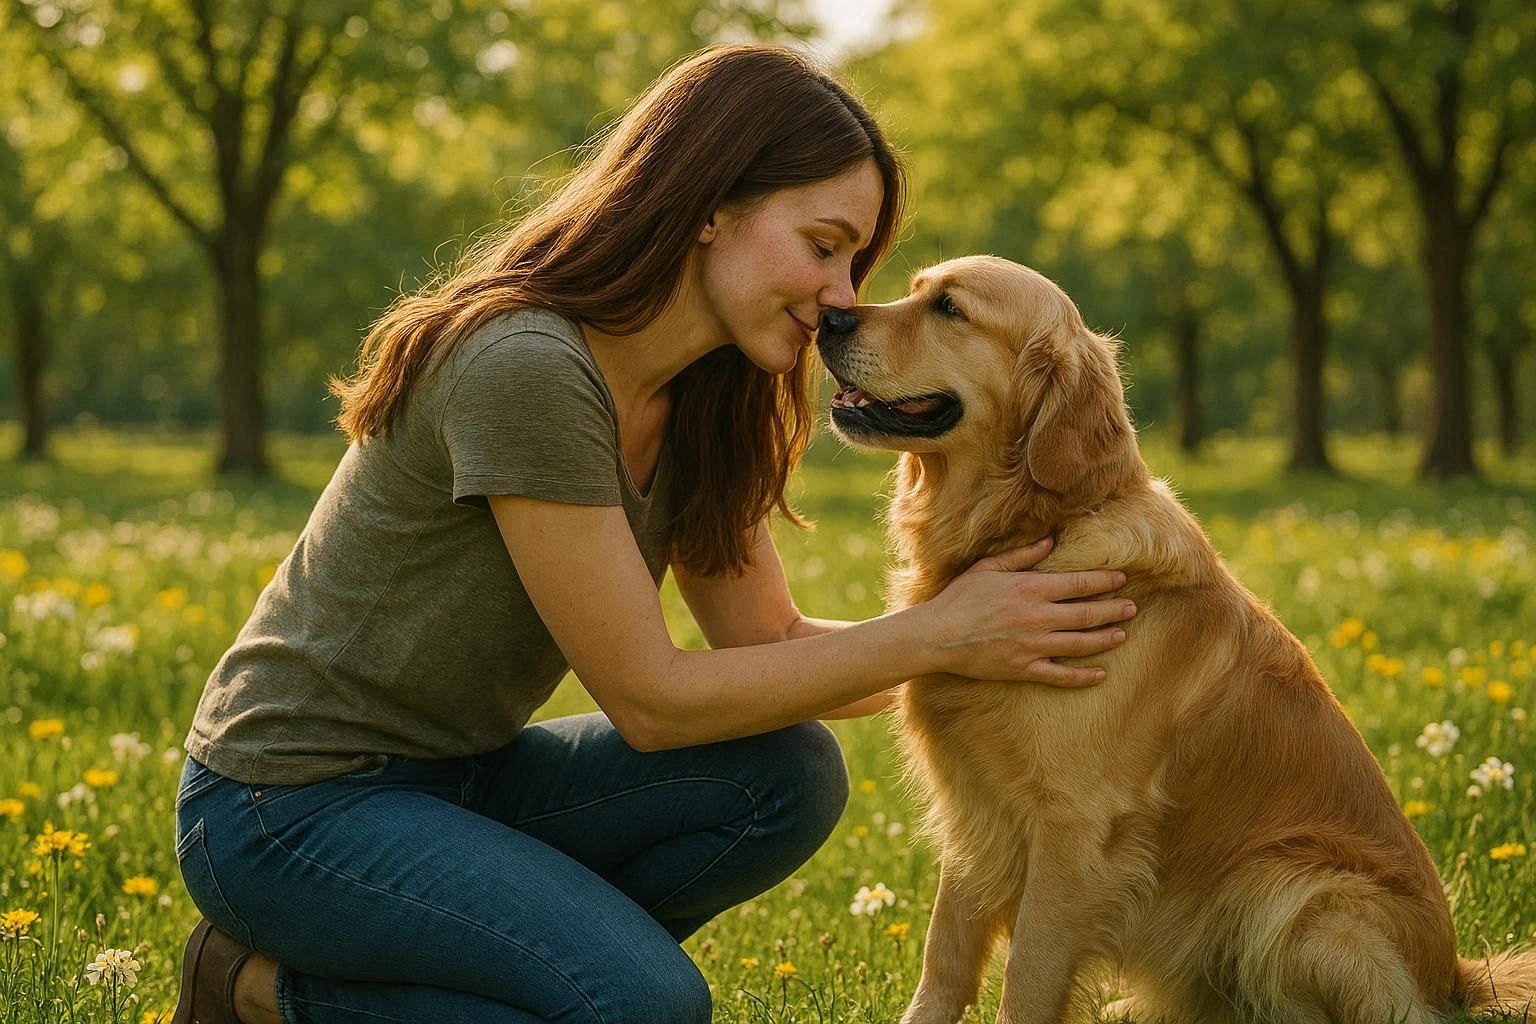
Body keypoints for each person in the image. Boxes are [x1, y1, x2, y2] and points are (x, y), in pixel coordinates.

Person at [170, 44, 1136, 1024]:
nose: (844, 296)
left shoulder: (709, 396)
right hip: (285, 808)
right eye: (822, 244)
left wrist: (1015, 643)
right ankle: (259, 989)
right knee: (641, 1005)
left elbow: (770, 648)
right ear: (711, 205)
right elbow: (649, 701)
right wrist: (944, 633)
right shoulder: (528, 365)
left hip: (463, 779)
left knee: (786, 772)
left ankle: (526, 979)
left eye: (856, 261)